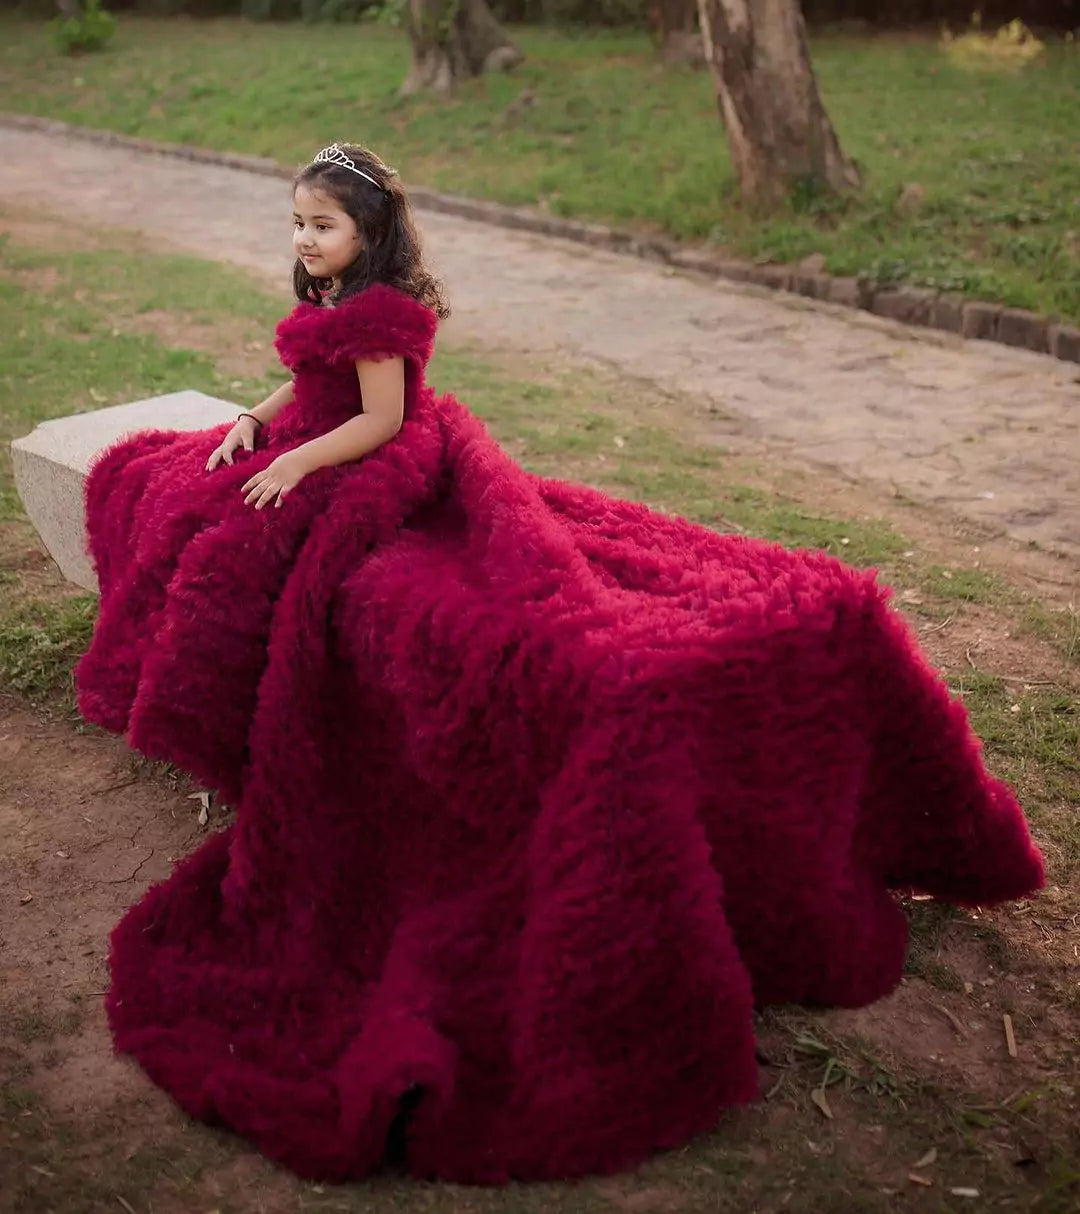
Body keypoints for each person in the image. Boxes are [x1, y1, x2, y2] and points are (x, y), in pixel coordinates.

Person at [77, 143, 1044, 1186]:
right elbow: (304, 377)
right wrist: (257, 421)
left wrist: (300, 460)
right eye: (298, 222)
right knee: (182, 493)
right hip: (314, 439)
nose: (305, 241)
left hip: (372, 458)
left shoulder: (386, 316)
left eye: (325, 225)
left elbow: (380, 418)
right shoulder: (327, 299)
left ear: (372, 235)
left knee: (361, 560)